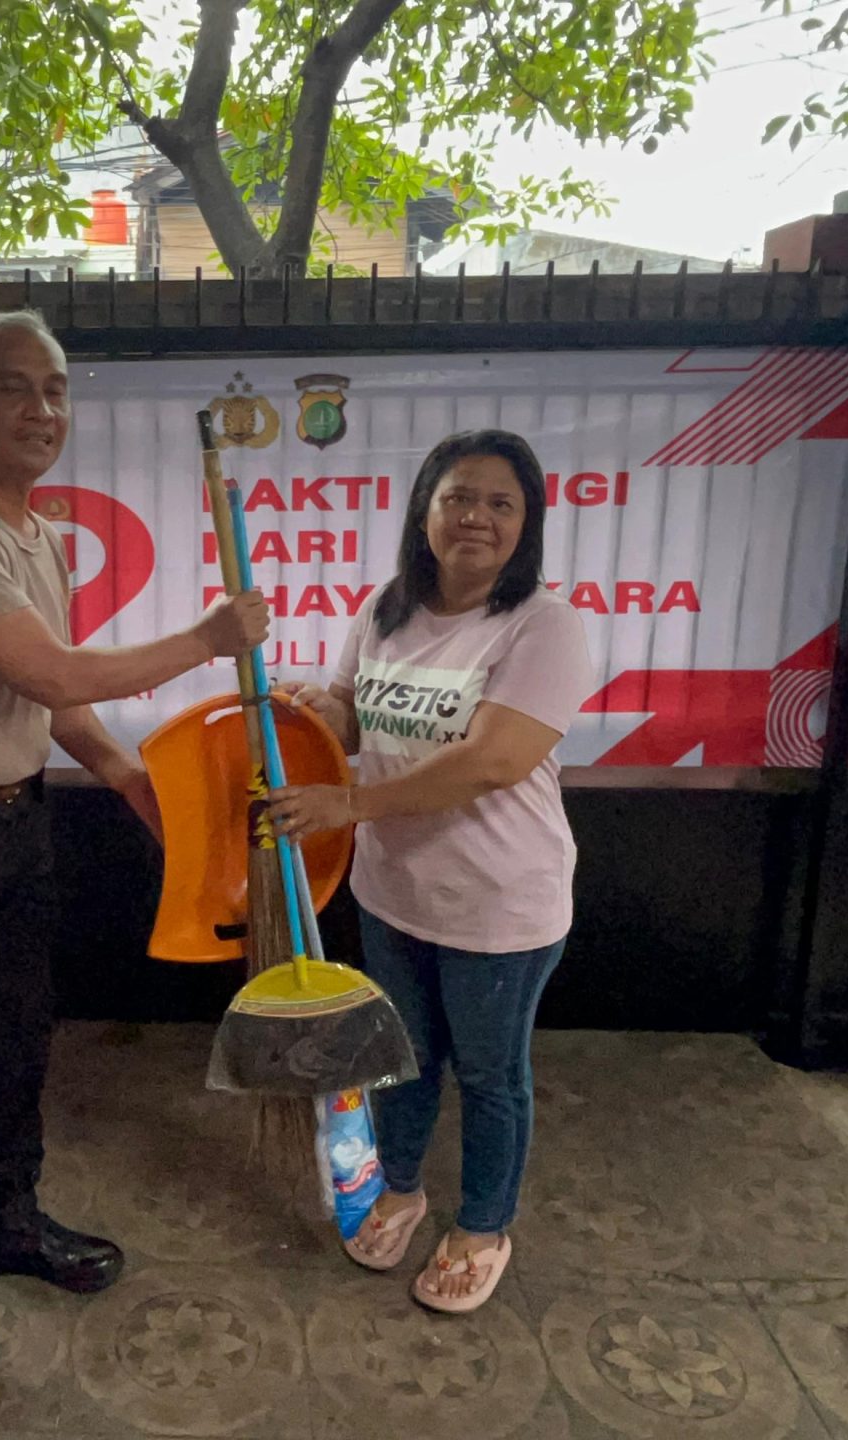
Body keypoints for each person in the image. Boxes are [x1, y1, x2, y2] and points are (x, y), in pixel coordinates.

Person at [0, 308, 270, 1383]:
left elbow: (53, 698)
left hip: (12, 824)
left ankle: (9, 1221)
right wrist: (206, 640)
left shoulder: (39, 538)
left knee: (18, 1035)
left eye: (55, 388)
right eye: (11, 386)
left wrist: (125, 775)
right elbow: (53, 673)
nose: (40, 408)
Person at [265, 429, 594, 1315]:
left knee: (489, 1076)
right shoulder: (387, 607)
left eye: (500, 504)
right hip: (394, 892)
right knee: (400, 1058)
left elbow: (494, 759)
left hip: (498, 903)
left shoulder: (544, 625)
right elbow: (356, 718)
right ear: (425, 512)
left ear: (526, 524)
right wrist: (314, 709)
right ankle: (400, 1188)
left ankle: (484, 1225)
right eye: (458, 498)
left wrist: (350, 804)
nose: (476, 517)